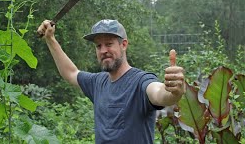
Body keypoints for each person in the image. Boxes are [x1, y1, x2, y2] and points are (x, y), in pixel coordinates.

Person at [37, 19, 185, 144]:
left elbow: (159, 93)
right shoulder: (97, 82)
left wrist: (173, 91)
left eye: (109, 44)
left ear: (124, 45)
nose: (103, 50)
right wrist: (50, 39)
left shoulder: (140, 81)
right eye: (98, 46)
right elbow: (71, 73)